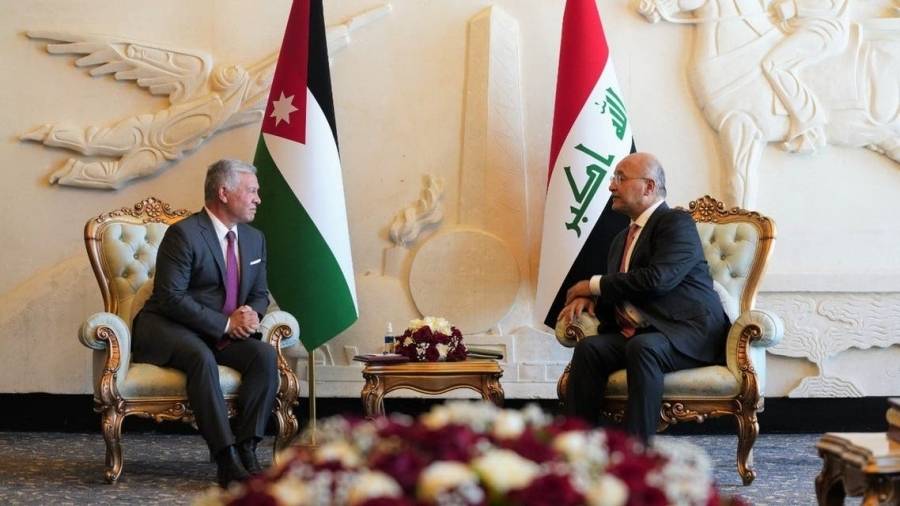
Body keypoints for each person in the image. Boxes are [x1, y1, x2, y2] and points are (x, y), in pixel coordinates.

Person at [559, 152, 730, 443]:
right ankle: (577, 446)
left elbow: (657, 280)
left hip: (688, 332)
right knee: (590, 349)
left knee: (644, 347)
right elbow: (625, 291)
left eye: (620, 178)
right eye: (613, 178)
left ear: (649, 187)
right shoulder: (620, 240)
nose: (611, 186)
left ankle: (636, 451)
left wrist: (593, 285)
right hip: (644, 333)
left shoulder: (676, 223)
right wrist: (591, 299)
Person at [132, 159, 277, 487]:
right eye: (251, 191)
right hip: (168, 326)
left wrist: (251, 314)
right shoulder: (184, 234)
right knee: (200, 357)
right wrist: (226, 324)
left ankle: (247, 448)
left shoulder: (254, 239)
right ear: (224, 192)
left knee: (264, 356)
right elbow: (170, 297)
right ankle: (226, 458)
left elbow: (259, 293)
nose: (258, 199)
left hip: (218, 331)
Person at [762, 0, 849, 153]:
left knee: (774, 64)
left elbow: (831, 3)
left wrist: (794, 7)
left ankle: (811, 130)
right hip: (798, 28)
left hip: (823, 30)